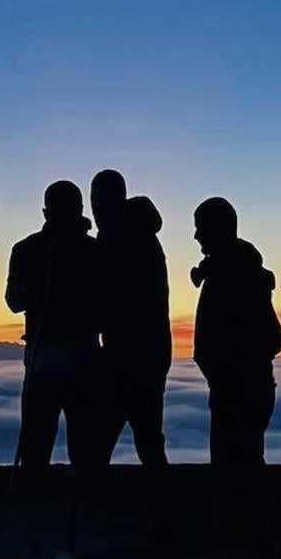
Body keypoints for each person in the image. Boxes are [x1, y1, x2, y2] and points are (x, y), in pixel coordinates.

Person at [190, 198, 281, 548]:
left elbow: (255, 340)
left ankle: (245, 539)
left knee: (239, 463)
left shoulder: (238, 273)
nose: (197, 235)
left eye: (202, 227)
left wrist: (227, 371)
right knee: (237, 462)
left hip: (240, 386)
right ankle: (242, 535)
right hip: (233, 384)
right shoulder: (230, 268)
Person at [5, 180, 102, 496]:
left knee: (41, 436)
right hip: (76, 358)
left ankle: (37, 496)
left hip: (48, 359)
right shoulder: (92, 251)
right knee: (77, 438)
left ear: (45, 211)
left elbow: (14, 301)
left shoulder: (26, 249)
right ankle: (84, 497)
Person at [90, 170, 172, 504]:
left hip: (131, 353)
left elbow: (114, 298)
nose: (95, 209)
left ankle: (100, 505)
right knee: (147, 435)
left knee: (106, 434)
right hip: (148, 351)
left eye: (99, 199)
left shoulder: (120, 238)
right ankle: (161, 509)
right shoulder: (138, 234)